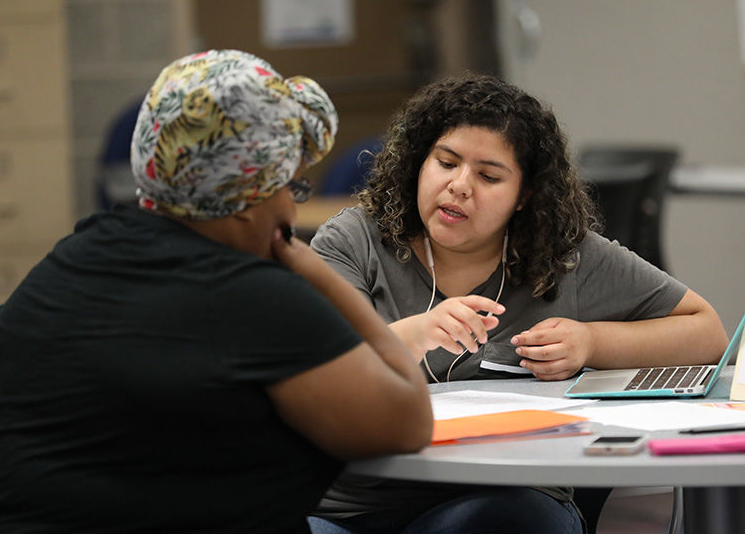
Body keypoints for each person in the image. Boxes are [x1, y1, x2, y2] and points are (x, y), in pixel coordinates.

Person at [0, 50, 433, 533]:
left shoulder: (67, 262)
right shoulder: (249, 295)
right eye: (291, 189)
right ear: (246, 200)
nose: (291, 215)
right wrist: (311, 270)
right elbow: (408, 420)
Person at [308, 72, 729, 534]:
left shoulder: (563, 254)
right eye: (445, 163)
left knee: (517, 520)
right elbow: (325, 371)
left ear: (525, 195)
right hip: (357, 505)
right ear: (418, 163)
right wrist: (415, 333)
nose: (459, 186)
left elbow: (706, 331)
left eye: (489, 176)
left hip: (496, 499)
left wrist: (592, 341)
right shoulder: (354, 241)